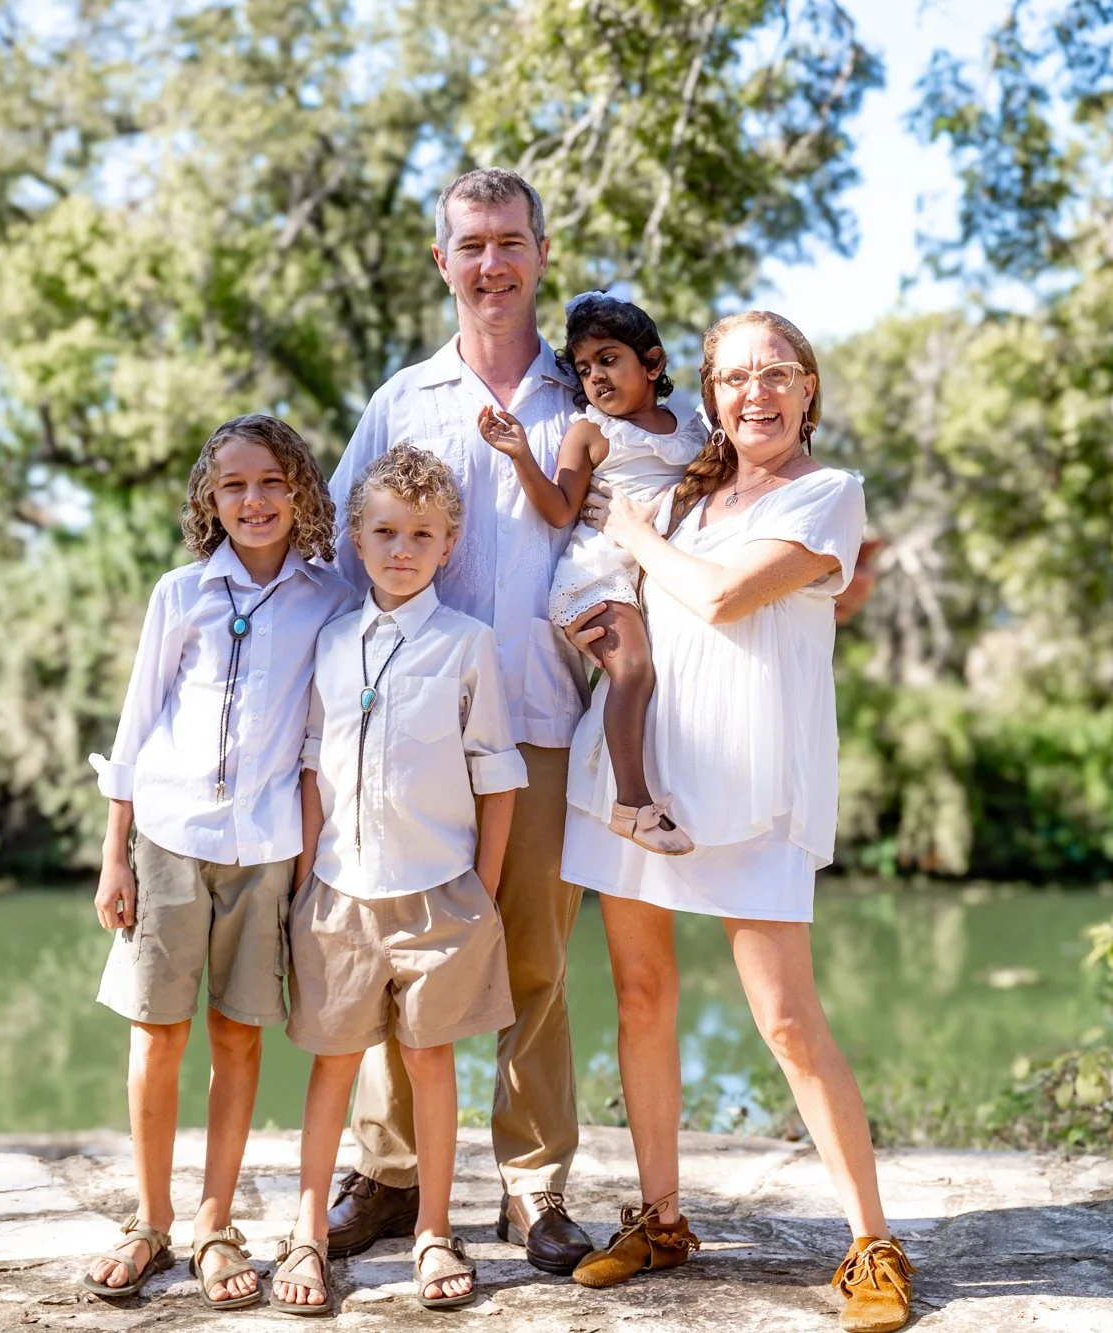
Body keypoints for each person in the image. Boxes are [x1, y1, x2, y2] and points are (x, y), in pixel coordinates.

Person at [560, 311, 917, 1333]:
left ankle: (871, 1244)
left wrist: (625, 530)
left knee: (787, 1023)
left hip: (752, 786)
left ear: (806, 388)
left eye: (774, 375)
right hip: (636, 778)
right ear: (708, 394)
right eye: (732, 379)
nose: (752, 395)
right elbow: (639, 604)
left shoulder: (825, 496)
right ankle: (661, 1216)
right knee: (639, 995)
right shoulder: (684, 490)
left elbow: (719, 600)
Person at [322, 168, 594, 1275]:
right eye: (470, 244)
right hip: (408, 737)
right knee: (396, 951)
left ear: (539, 253)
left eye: (510, 242)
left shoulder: (584, 401)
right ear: (442, 261)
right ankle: (386, 1178)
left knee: (533, 961)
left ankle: (533, 1190)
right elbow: (342, 550)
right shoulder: (401, 400)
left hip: (535, 716)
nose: (491, 264)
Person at [79, 415, 351, 1309]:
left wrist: (310, 867)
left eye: (271, 480)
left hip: (265, 848)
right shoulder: (181, 593)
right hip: (166, 839)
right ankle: (150, 1219)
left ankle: (214, 1221)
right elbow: (135, 723)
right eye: (233, 485)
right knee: (158, 1032)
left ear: (301, 490)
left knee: (239, 1035)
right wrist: (113, 856)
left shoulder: (329, 598)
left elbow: (319, 744)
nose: (254, 499)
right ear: (210, 500)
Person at [270, 444, 525, 1314]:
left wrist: (481, 894)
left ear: (449, 543)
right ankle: (308, 1233)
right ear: (356, 536)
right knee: (335, 1064)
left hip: (440, 894)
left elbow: (497, 776)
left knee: (429, 1059)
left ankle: (433, 1229)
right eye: (384, 532)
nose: (401, 549)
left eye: (421, 534)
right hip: (339, 892)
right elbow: (311, 768)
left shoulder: (467, 646)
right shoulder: (332, 642)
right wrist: (306, 883)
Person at [477, 292, 708, 854]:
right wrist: (520, 454)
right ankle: (631, 806)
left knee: (664, 680)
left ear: (652, 364)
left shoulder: (694, 428)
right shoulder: (591, 432)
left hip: (651, 576)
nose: (596, 376)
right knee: (632, 670)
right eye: (584, 369)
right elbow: (559, 508)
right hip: (593, 576)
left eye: (609, 359)